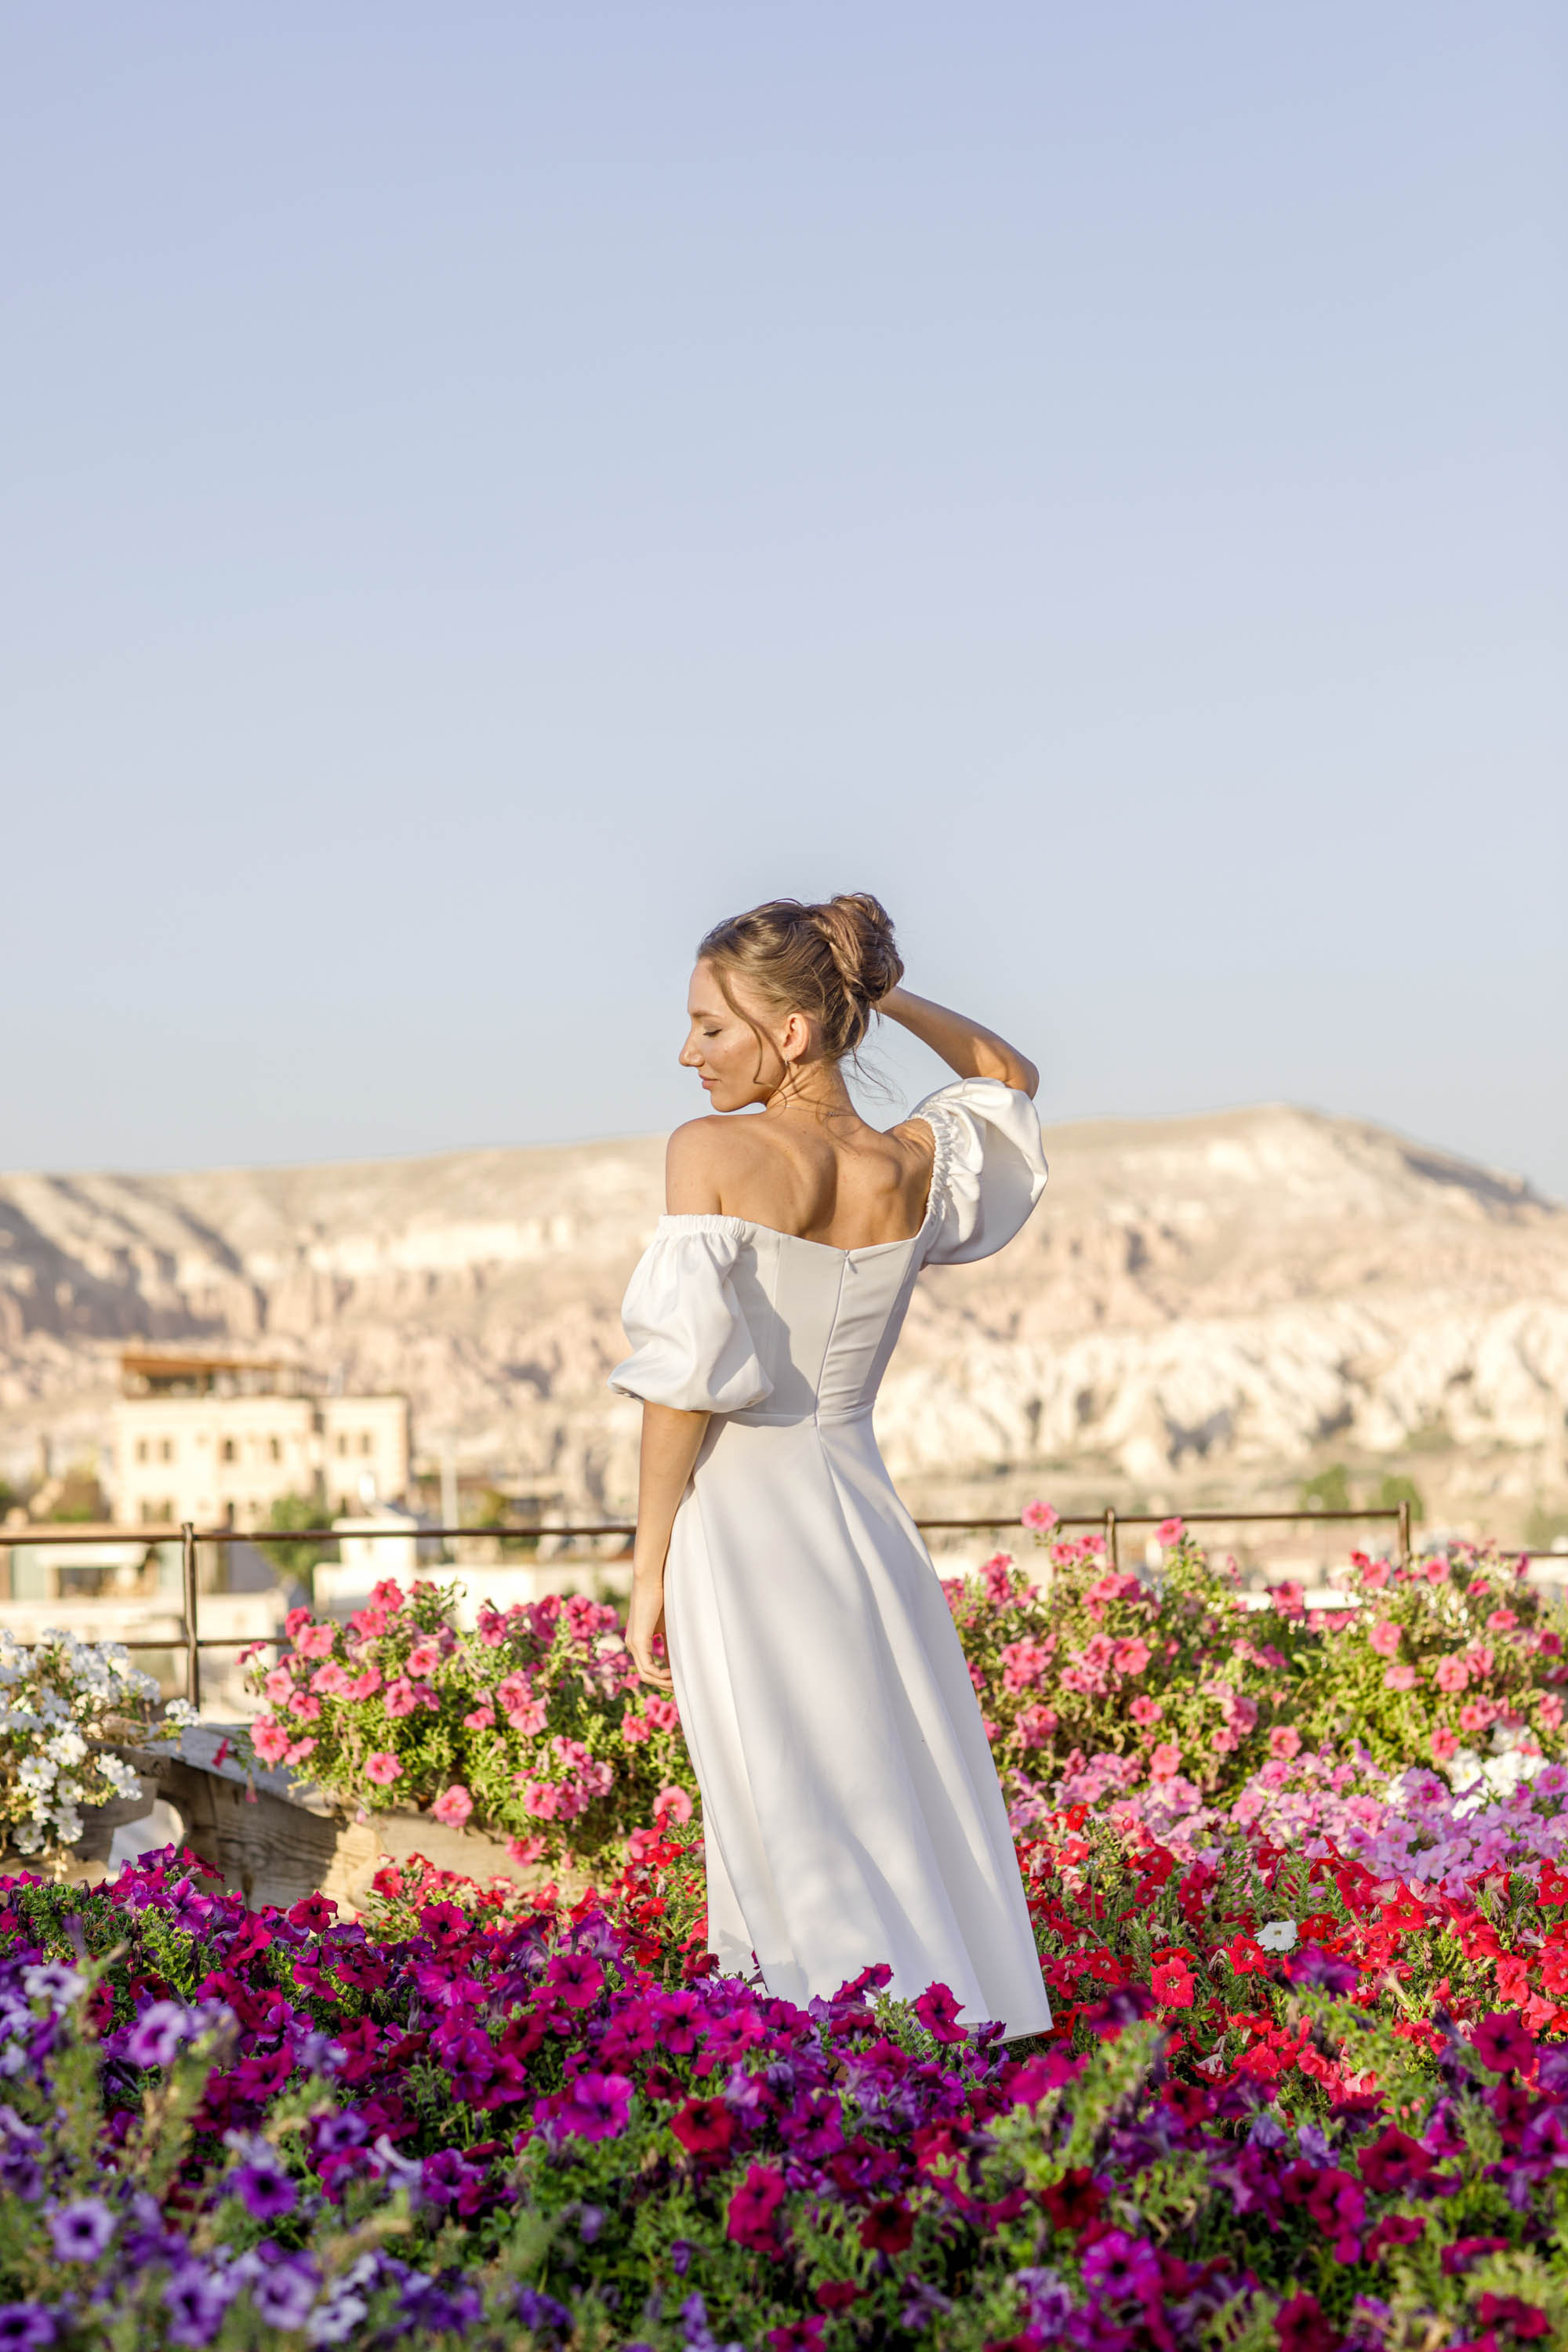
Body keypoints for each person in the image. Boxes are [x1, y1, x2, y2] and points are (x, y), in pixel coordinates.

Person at [609, 892, 1051, 2038]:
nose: (689, 1052)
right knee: (891, 1772)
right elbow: (1007, 1075)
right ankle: (939, 2030)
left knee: (787, 1797)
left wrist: (647, 1564)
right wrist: (876, 992)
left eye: (712, 1026)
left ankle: (826, 2051)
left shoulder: (710, 1151)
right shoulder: (909, 1163)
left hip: (745, 1522)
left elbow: (682, 1386)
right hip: (862, 1509)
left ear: (792, 1031)